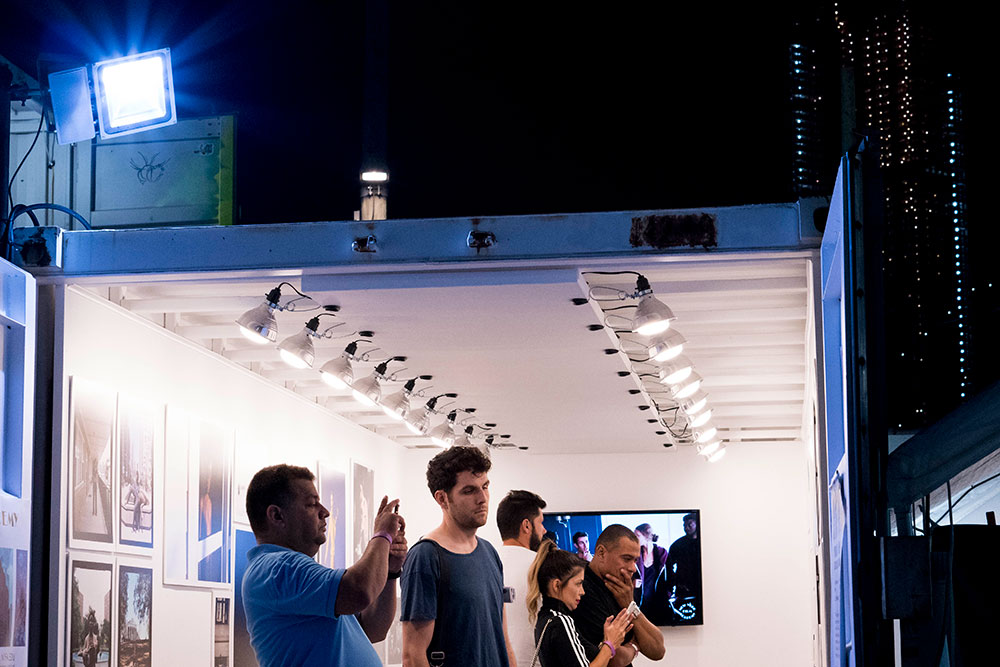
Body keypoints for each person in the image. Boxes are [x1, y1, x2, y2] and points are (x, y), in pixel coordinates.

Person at [241, 464, 407, 666]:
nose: (325, 512)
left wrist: (390, 570)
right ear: (276, 516)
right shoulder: (276, 568)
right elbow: (360, 590)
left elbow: (374, 629)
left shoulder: (293, 572)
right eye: (312, 504)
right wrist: (382, 535)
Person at [401, 446, 516, 667]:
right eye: (469, 491)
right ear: (442, 499)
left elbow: (502, 639)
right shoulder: (425, 557)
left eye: (485, 487)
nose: (482, 498)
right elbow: (413, 655)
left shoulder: (489, 553)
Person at [526, 541, 633, 667]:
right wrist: (610, 644)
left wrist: (606, 642)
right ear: (556, 585)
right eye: (578, 584)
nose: (582, 592)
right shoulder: (561, 621)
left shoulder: (546, 617)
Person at [570, 525, 665, 666]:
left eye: (635, 560)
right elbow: (615, 659)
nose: (633, 568)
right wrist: (635, 646)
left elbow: (658, 650)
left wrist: (630, 605)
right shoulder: (582, 590)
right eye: (627, 559)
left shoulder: (624, 589)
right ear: (601, 553)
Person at [497, 489, 548, 666]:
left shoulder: (484, 565)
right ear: (526, 526)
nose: (544, 530)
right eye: (540, 523)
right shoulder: (543, 566)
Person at [664, 513, 701, 621]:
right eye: (684, 525)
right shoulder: (678, 545)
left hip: (702, 588)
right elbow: (669, 568)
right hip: (684, 589)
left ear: (697, 524)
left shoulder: (704, 542)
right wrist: (674, 585)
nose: (686, 528)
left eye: (690, 524)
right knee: (684, 617)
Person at [633, 524, 669, 624]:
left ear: (646, 537)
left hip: (658, 602)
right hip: (640, 601)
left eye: (637, 536)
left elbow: (670, 576)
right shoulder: (635, 554)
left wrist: (668, 595)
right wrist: (633, 583)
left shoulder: (662, 553)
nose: (634, 539)